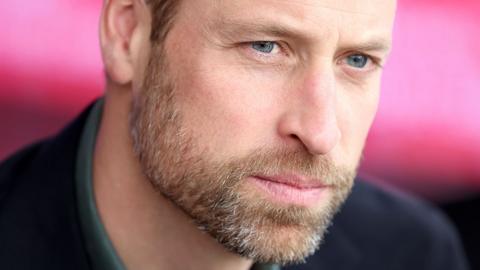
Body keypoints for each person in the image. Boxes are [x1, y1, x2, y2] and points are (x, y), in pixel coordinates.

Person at [0, 0, 470, 269]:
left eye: (357, 60)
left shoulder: (414, 255)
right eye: (265, 47)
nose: (320, 132)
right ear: (128, 35)